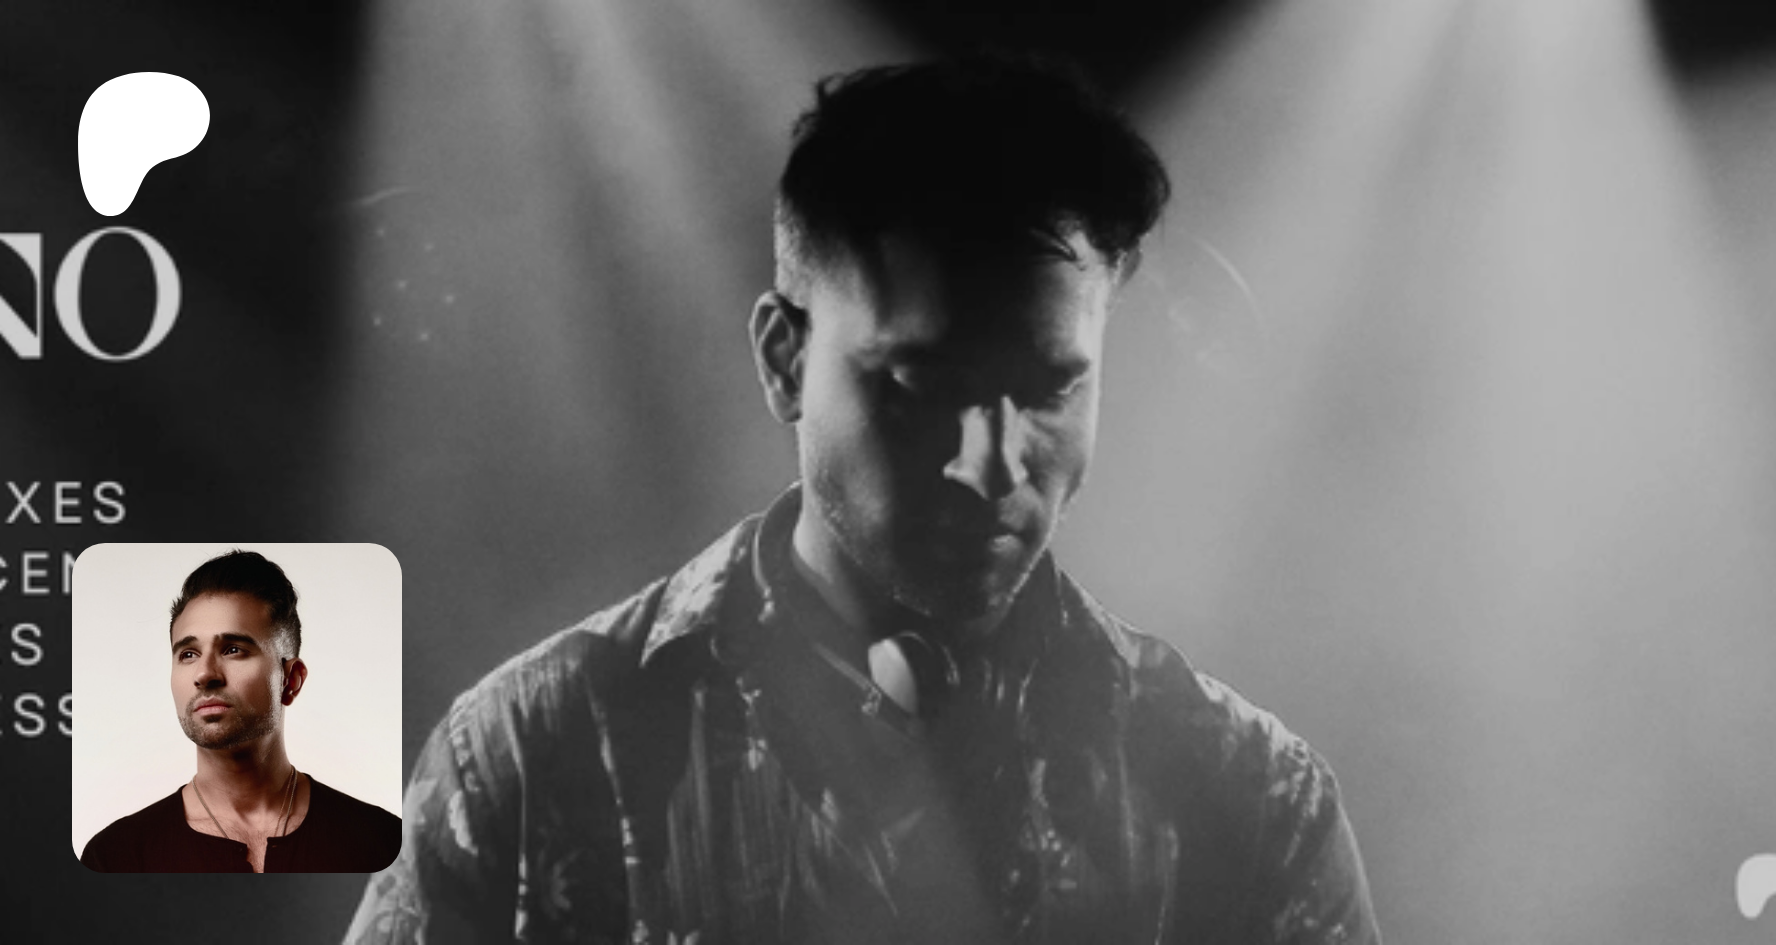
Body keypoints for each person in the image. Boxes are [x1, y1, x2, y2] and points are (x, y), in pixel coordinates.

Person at [345, 54, 1380, 943]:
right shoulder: (529, 756)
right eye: (922, 387)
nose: (990, 466)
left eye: (1051, 388)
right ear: (784, 360)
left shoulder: (1248, 798)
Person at [80, 550, 401, 873]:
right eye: (188, 654)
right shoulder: (115, 858)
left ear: (290, 680)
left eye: (233, 649)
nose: (204, 674)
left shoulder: (385, 845)